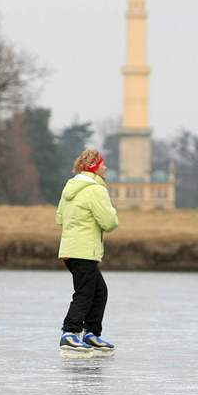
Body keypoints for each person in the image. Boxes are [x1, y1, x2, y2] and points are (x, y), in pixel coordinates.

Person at [55, 148, 119, 357]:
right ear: (93, 167)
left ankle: (91, 333)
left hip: (70, 250)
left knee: (99, 291)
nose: (106, 167)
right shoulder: (95, 190)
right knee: (85, 292)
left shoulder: (70, 188)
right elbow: (110, 223)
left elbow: (59, 218)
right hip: (84, 251)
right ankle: (70, 332)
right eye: (102, 164)